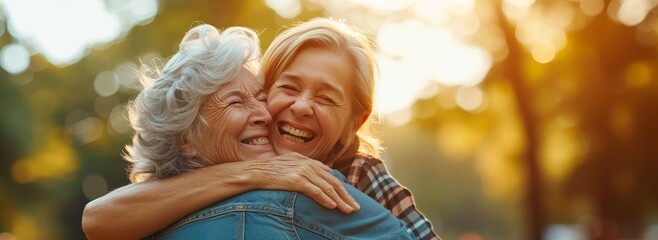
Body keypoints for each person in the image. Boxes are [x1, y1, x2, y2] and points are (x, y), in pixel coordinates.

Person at [82, 18, 439, 240]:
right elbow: (98, 219)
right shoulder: (212, 169)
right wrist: (253, 172)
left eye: (326, 98)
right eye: (286, 88)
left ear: (355, 122)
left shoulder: (362, 174)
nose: (297, 108)